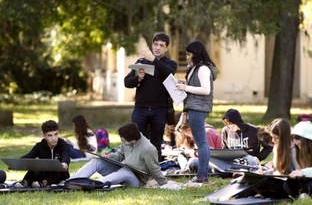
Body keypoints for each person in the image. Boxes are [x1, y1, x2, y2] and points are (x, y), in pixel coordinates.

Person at [124, 32, 177, 162]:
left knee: (156, 143)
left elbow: (168, 73)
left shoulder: (170, 64)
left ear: (166, 48)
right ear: (152, 45)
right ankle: (137, 169)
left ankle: (154, 173)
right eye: (155, 44)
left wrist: (153, 60)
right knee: (136, 141)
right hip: (140, 108)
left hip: (159, 109)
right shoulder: (142, 62)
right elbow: (127, 82)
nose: (158, 47)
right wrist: (138, 78)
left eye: (161, 45)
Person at [69, 122, 167, 187]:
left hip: (136, 180)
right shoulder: (128, 142)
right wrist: (110, 156)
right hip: (121, 169)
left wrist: (165, 184)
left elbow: (155, 170)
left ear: (132, 140)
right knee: (96, 161)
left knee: (125, 172)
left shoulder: (148, 149)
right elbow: (120, 155)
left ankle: (93, 184)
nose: (121, 141)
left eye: (123, 140)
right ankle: (70, 181)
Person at [175, 40, 218, 183]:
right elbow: (195, 86)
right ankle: (201, 174)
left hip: (199, 108)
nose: (187, 57)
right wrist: (184, 85)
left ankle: (202, 175)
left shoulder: (203, 69)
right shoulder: (195, 67)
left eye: (189, 54)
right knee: (200, 142)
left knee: (201, 142)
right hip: (193, 107)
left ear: (196, 54)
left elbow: (206, 90)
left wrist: (185, 88)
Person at [14, 120, 70, 188]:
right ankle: (25, 182)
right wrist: (15, 163)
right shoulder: (39, 146)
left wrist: (64, 163)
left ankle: (43, 183)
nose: (54, 138)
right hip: (43, 173)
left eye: (56, 134)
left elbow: (66, 156)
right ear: (44, 136)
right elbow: (29, 156)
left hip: (60, 175)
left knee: (58, 170)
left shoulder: (64, 145)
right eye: (50, 135)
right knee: (35, 167)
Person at [252, 118, 300, 198]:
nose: (273, 140)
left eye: (276, 138)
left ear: (284, 138)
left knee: (286, 185)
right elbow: (276, 169)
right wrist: (265, 172)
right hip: (281, 179)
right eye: (272, 137)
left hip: (292, 182)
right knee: (257, 181)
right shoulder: (277, 147)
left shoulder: (294, 150)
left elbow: (299, 174)